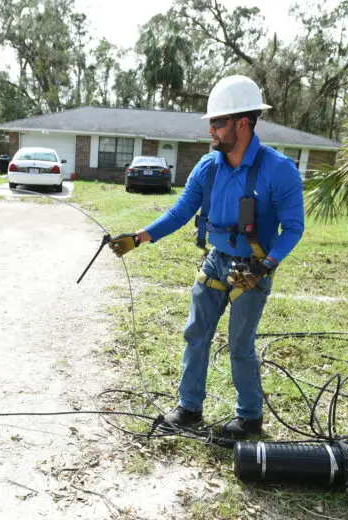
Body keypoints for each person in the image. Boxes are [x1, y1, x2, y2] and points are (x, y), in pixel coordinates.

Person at [108, 75, 305, 439]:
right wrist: (139, 238)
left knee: (240, 344)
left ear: (242, 123)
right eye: (211, 123)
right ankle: (189, 408)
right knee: (196, 332)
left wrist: (264, 267)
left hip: (252, 268)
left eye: (217, 122)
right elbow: (181, 213)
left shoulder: (279, 170)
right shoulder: (207, 167)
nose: (211, 130)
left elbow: (293, 229)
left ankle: (249, 418)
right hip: (217, 260)